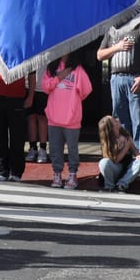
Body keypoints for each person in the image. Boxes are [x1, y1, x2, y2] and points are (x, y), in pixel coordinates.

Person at [43, 51, 93, 190]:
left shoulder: (78, 69)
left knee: (72, 149)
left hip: (72, 119)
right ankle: (57, 174)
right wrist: (58, 78)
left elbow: (86, 90)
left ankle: (72, 175)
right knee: (55, 148)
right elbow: (45, 87)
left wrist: (73, 103)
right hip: (54, 117)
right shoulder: (51, 68)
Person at [97, 21, 140, 134]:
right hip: (116, 78)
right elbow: (99, 55)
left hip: (135, 78)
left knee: (138, 118)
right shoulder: (111, 29)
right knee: (119, 119)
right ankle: (124, 149)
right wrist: (117, 47)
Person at [0, 53, 33, 183]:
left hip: (17, 95)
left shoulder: (22, 45)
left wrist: (31, 95)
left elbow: (32, 71)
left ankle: (16, 171)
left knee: (17, 136)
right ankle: (2, 170)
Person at [97, 114, 140, 193]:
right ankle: (109, 186)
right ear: (111, 128)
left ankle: (121, 185)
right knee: (103, 162)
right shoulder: (109, 141)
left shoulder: (125, 135)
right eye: (114, 120)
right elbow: (115, 160)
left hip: (126, 167)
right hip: (114, 168)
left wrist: (138, 155)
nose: (117, 120)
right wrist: (126, 147)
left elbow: (134, 150)